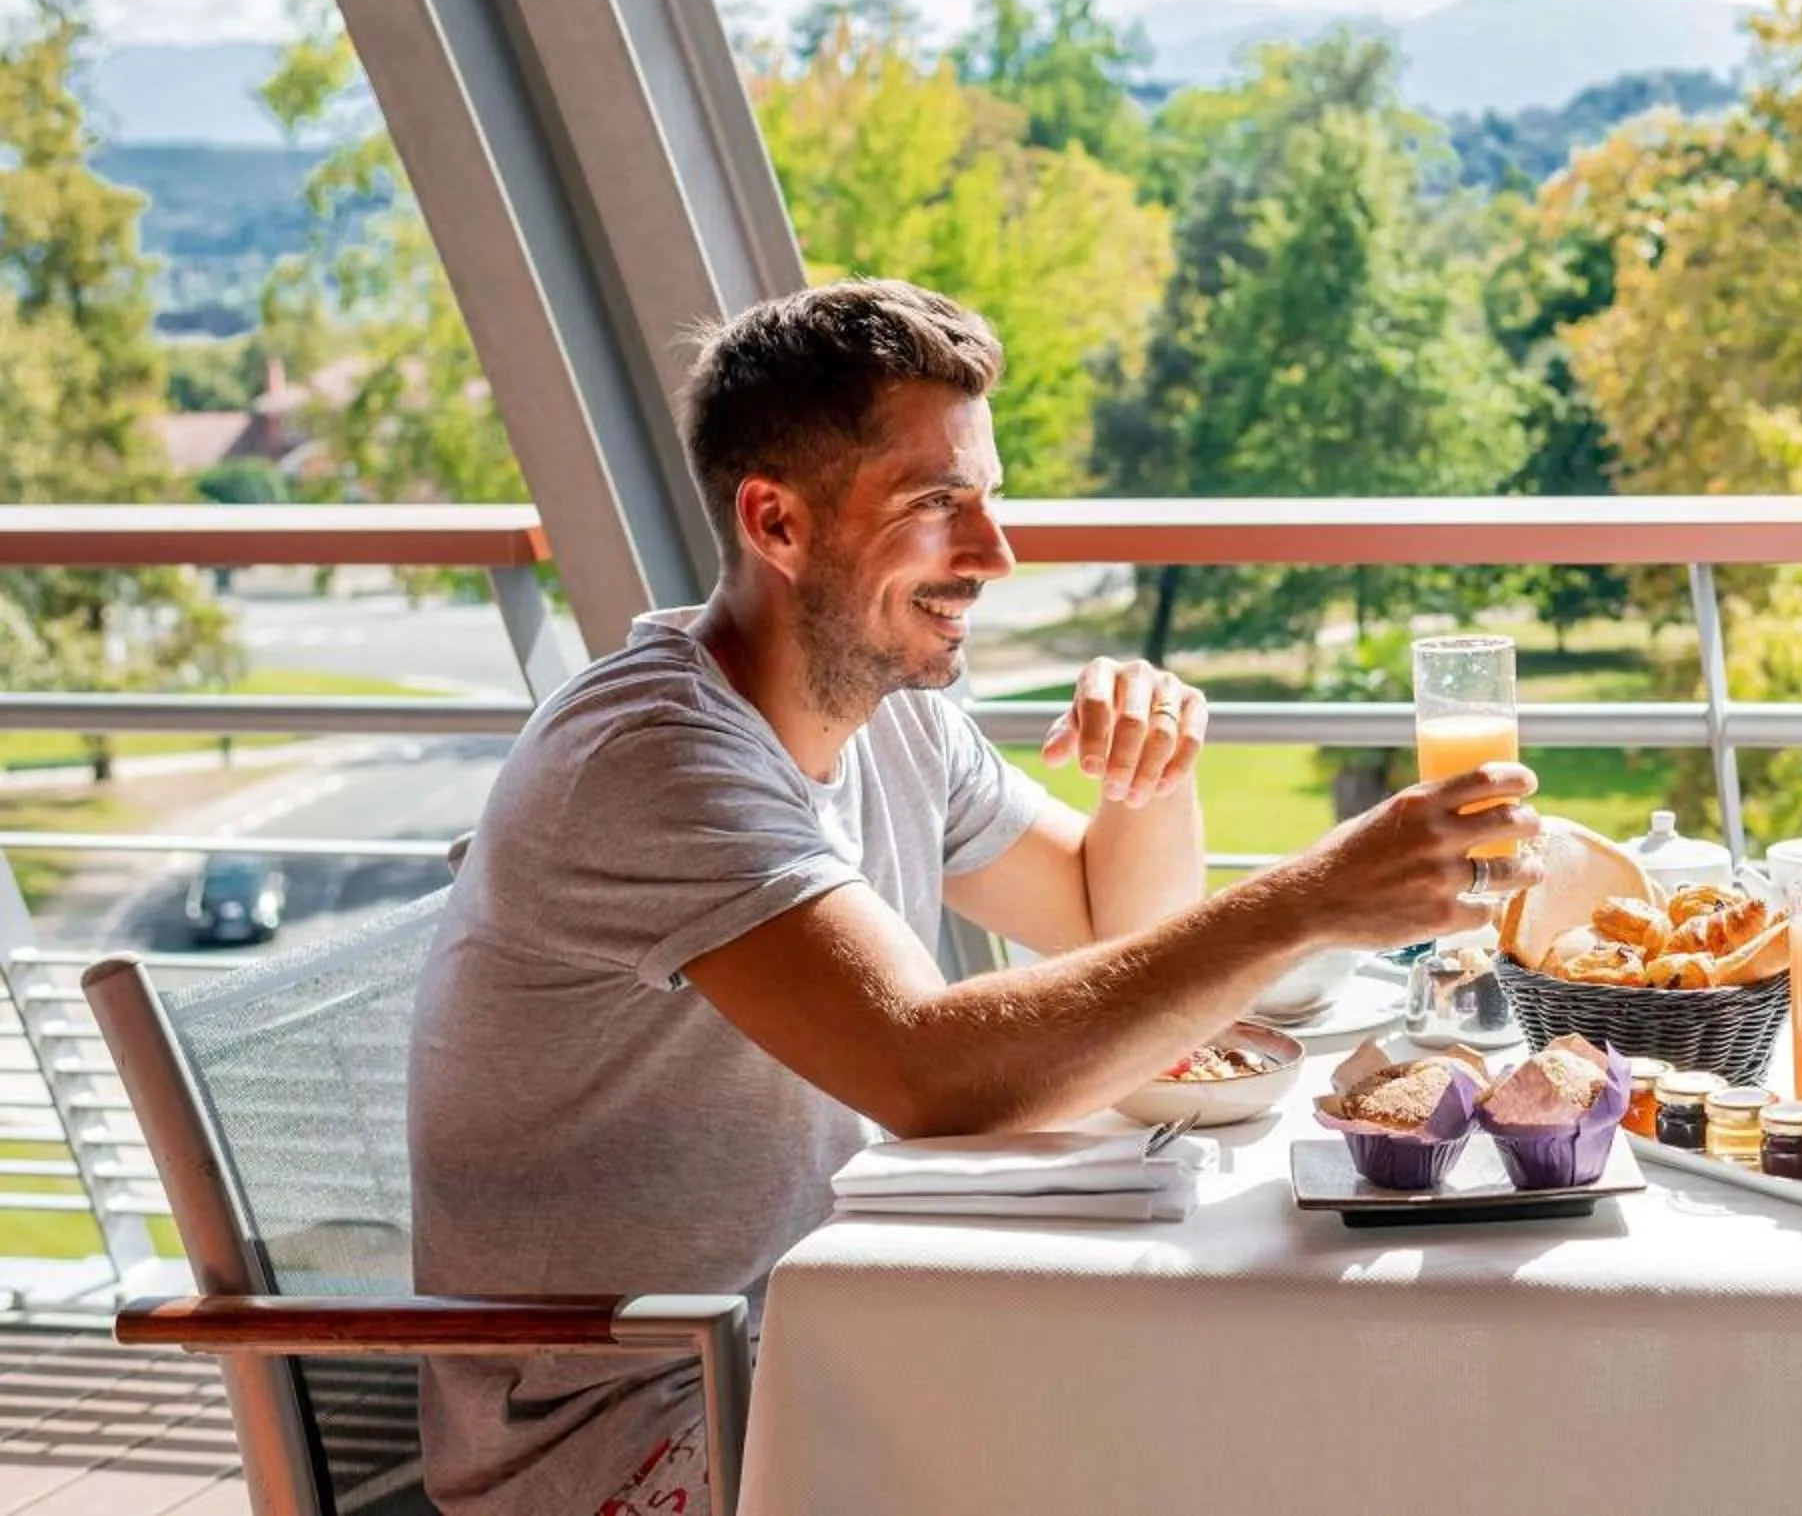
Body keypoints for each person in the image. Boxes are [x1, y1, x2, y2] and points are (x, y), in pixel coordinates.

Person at [410, 279, 1539, 1515]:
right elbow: (931, 1074)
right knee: (1202, 1441)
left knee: (1258, 1403)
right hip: (644, 1423)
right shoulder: (655, 757)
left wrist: (1151, 778)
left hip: (835, 1327)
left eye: (989, 500)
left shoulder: (889, 712)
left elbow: (1118, 931)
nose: (996, 554)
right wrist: (1309, 899)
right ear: (777, 521)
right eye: (936, 504)